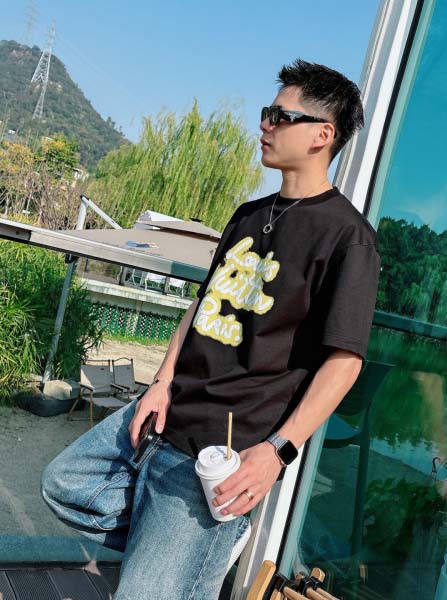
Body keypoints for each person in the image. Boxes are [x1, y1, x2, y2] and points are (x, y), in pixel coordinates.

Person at [41, 58, 381, 599]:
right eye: (267, 112)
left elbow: (344, 362)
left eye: (279, 115)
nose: (264, 124)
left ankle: (193, 554)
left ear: (322, 134)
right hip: (165, 413)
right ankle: (187, 558)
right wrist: (160, 382)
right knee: (63, 483)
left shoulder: (348, 238)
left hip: (223, 448)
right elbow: (202, 305)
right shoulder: (248, 214)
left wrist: (278, 450)